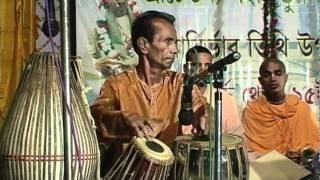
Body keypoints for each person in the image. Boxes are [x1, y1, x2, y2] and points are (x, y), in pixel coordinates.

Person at [90, 10, 208, 174]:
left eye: (175, 43)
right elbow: (96, 114)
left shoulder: (180, 84)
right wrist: (125, 118)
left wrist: (207, 119)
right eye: (168, 42)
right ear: (144, 45)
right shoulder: (117, 85)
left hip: (170, 174)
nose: (174, 50)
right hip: (127, 174)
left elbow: (204, 109)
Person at [242, 57, 319, 161]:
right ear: (260, 81)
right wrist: (281, 158)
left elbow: (315, 146)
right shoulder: (252, 111)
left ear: (286, 77)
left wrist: (302, 155)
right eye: (267, 74)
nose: (273, 78)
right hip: (267, 171)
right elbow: (249, 153)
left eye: (278, 73)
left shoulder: (302, 109)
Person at [182, 45, 243, 135]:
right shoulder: (175, 95)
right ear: (186, 68)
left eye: (208, 66)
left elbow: (235, 137)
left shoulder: (226, 99)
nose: (203, 69)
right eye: (196, 65)